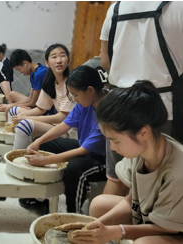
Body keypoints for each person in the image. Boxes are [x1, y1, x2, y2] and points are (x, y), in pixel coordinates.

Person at [73, 81, 183, 244]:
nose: (112, 147)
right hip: (154, 220)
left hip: (174, 229)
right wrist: (97, 224)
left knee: (143, 243)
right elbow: (131, 200)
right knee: (99, 205)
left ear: (143, 132)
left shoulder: (177, 174)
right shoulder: (143, 148)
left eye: (115, 140)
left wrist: (117, 231)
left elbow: (169, 228)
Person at [99, 1, 183, 197]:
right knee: (163, 187)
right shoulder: (178, 6)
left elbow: (105, 61)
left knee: (117, 179)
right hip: (163, 111)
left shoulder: (115, 9)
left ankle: (98, 226)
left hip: (117, 107)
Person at [22, 65, 107, 214]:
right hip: (85, 147)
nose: (75, 99)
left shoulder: (107, 110)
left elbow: (83, 151)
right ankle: (41, 199)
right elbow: (64, 125)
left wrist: (45, 160)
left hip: (102, 159)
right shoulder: (86, 101)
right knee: (46, 142)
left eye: (76, 95)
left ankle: (72, 214)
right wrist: (38, 141)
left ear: (90, 90)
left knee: (73, 168)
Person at [11, 44, 75, 150]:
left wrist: (27, 117)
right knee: (15, 112)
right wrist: (23, 114)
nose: (59, 60)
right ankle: (12, 148)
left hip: (67, 130)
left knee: (24, 124)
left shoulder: (71, 84)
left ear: (68, 60)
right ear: (47, 63)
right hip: (54, 124)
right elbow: (41, 108)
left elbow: (62, 118)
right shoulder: (50, 82)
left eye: (62, 55)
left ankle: (15, 157)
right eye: (54, 57)